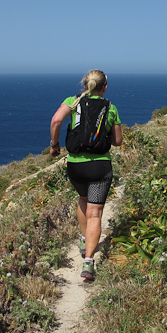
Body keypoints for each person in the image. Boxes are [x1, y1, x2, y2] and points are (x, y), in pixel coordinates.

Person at [49, 70, 122, 280]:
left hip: (75, 166)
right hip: (100, 167)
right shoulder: (110, 108)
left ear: (84, 85)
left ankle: (84, 239)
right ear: (105, 87)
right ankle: (88, 262)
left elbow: (56, 121)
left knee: (83, 199)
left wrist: (54, 145)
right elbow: (117, 141)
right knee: (95, 213)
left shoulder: (72, 102)